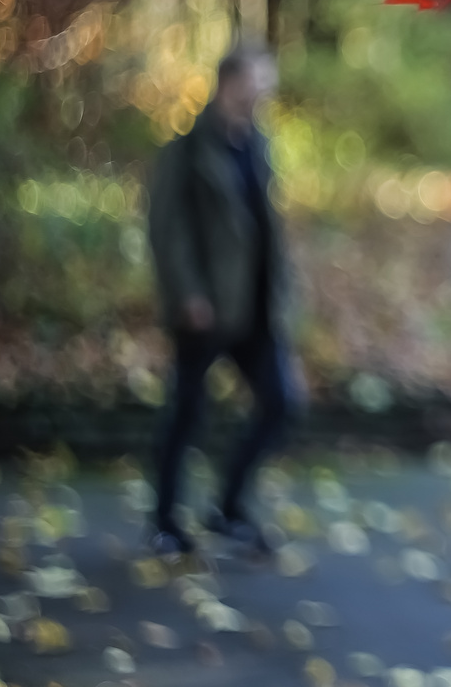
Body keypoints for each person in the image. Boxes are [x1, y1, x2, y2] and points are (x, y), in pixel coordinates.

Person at [146, 42, 297, 557]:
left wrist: (282, 291)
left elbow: (266, 227)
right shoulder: (187, 149)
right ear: (231, 83)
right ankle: (165, 521)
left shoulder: (258, 144)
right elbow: (168, 229)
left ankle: (227, 508)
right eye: (259, 80)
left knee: (280, 404)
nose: (266, 91)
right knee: (187, 413)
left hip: (254, 308)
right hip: (206, 307)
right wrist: (188, 292)